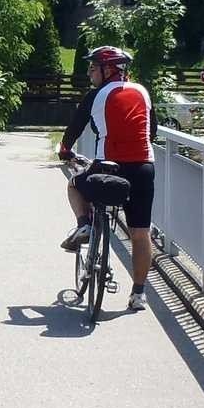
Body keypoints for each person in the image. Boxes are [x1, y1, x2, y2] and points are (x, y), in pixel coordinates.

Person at [57, 44, 158, 312]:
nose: (90, 71)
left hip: (107, 167)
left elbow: (74, 129)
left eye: (93, 67)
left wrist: (65, 152)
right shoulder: (143, 92)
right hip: (143, 168)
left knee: (74, 184)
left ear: (108, 70)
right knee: (140, 232)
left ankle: (84, 224)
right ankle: (138, 294)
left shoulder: (95, 96)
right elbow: (153, 132)